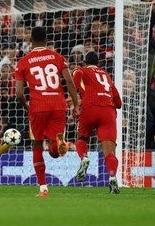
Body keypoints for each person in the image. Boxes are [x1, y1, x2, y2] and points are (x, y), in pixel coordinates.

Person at [14, 26, 80, 197]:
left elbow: (19, 93)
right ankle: (57, 144)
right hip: (58, 105)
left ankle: (43, 188)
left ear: (31, 40)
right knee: (54, 149)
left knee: (36, 144)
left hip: (38, 106)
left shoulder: (23, 61)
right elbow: (70, 82)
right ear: (46, 40)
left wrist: (27, 107)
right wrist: (76, 105)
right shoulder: (58, 57)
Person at [72, 51, 122, 194]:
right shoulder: (106, 75)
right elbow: (118, 102)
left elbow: (75, 76)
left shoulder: (81, 70)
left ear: (85, 62)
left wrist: (83, 92)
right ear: (98, 64)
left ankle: (84, 157)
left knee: (82, 138)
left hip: (90, 108)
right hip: (108, 111)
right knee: (110, 152)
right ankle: (112, 176)